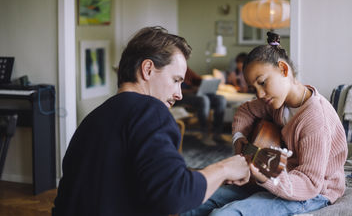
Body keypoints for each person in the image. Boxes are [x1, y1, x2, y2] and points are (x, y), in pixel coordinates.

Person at [52, 26, 250, 216]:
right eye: (175, 80)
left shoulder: (94, 118)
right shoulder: (150, 111)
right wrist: (225, 168)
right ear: (147, 69)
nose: (179, 94)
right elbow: (175, 195)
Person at [181, 32, 348, 216]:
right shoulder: (277, 102)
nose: (259, 94)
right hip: (276, 177)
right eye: (254, 88)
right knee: (192, 202)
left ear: (283, 70)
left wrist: (266, 176)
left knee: (223, 214)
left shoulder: (316, 119)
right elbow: (245, 111)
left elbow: (310, 183)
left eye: (262, 82)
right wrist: (239, 139)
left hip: (313, 193)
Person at [175, 67, 227, 146]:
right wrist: (192, 90)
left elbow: (197, 79)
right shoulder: (171, 69)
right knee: (204, 99)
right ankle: (204, 134)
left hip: (195, 94)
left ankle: (217, 134)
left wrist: (205, 84)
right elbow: (174, 89)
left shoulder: (186, 69)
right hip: (182, 96)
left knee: (221, 99)